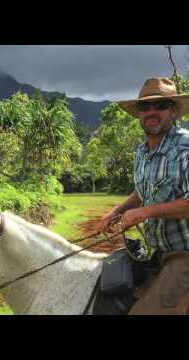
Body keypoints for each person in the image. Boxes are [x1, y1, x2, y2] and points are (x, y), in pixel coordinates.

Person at [97, 77, 189, 314]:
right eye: (145, 106)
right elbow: (143, 191)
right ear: (138, 113)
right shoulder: (141, 152)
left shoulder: (184, 148)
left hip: (184, 255)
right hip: (155, 251)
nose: (152, 112)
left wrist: (146, 212)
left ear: (173, 111)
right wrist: (116, 212)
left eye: (161, 105)